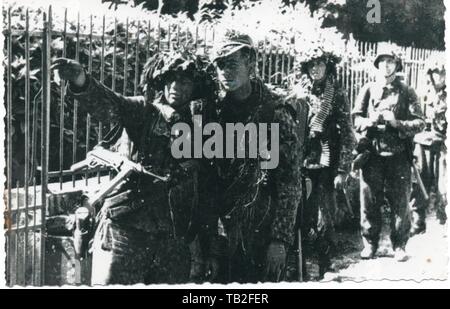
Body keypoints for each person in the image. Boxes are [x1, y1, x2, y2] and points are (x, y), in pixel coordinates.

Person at [52, 50, 219, 285]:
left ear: (195, 87)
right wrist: (81, 80)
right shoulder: (144, 111)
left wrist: (210, 250)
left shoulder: (202, 128)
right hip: (126, 231)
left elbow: (206, 192)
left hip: (173, 241)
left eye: (184, 81)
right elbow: (110, 105)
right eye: (169, 78)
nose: (175, 86)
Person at [210, 30, 302, 283]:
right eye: (219, 65)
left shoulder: (275, 112)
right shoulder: (214, 110)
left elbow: (290, 182)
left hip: (262, 226)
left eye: (232, 63)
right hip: (221, 227)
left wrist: (279, 240)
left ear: (251, 62)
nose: (225, 71)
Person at [352, 45, 425, 262]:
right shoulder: (368, 89)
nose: (386, 65)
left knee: (400, 202)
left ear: (396, 65)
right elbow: (355, 119)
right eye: (382, 61)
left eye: (390, 61)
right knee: (369, 200)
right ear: (377, 65)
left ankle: (399, 245)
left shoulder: (406, 91)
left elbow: (420, 123)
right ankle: (370, 244)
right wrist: (370, 121)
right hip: (372, 154)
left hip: (398, 155)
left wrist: (398, 123)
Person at [289, 46, 355, 279]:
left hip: (328, 163)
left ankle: (326, 265)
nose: (315, 69)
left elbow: (348, 133)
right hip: (303, 161)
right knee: (302, 214)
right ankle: (302, 267)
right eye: (311, 64)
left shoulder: (336, 94)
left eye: (319, 64)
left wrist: (343, 169)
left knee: (325, 214)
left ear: (328, 67)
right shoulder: (299, 93)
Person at [410, 55, 447, 234]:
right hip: (423, 143)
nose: (437, 77)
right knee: (420, 181)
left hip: (443, 144)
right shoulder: (422, 93)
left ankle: (443, 219)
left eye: (441, 73)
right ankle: (418, 220)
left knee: (444, 184)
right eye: (433, 73)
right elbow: (415, 118)